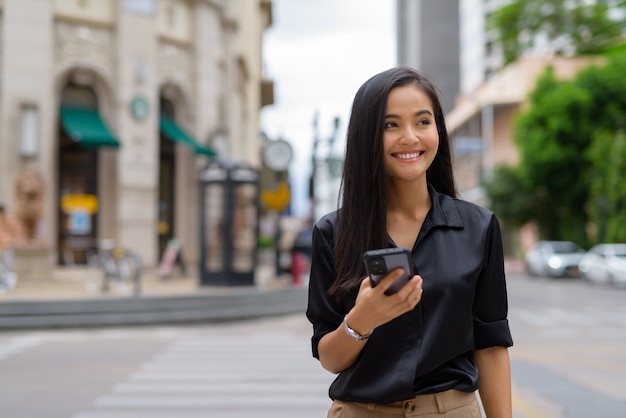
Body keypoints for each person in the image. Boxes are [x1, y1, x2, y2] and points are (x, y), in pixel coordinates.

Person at [306, 67, 513, 418]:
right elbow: (329, 358)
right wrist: (361, 320)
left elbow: (490, 346)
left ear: (437, 130)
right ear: (365, 136)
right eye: (391, 125)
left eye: (422, 122)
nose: (410, 137)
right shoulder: (333, 234)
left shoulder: (478, 227)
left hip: (451, 410)